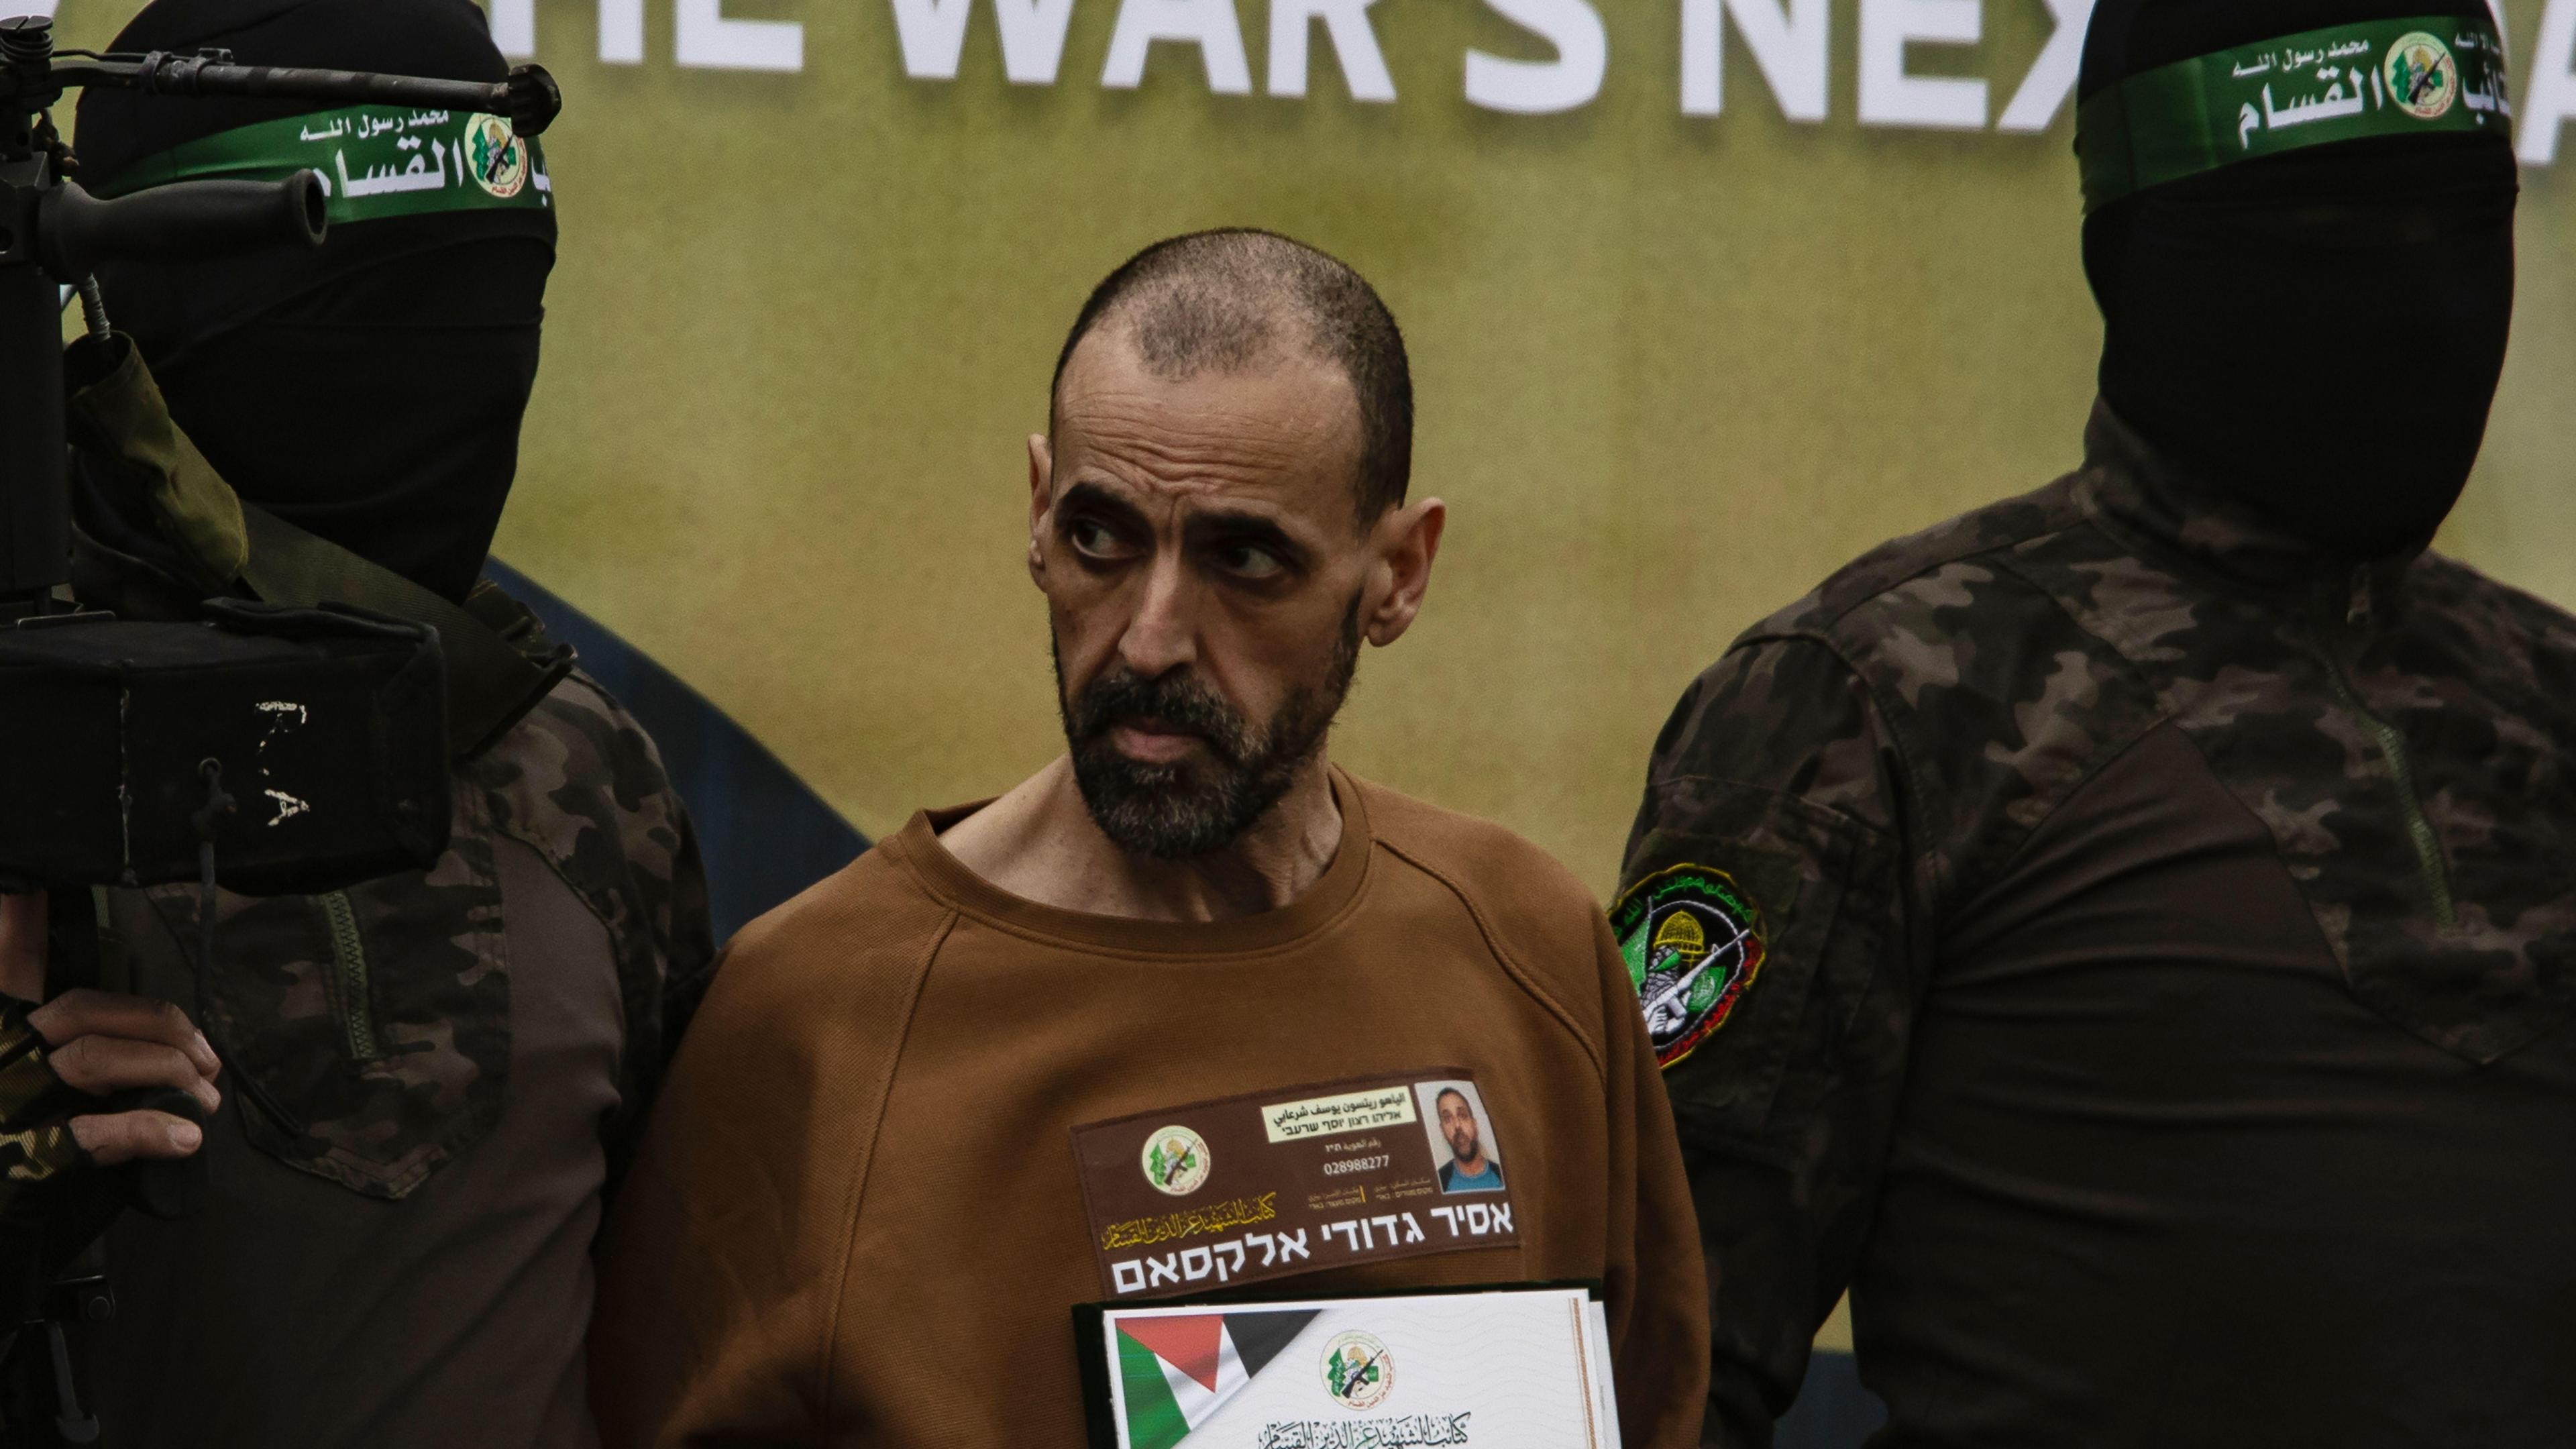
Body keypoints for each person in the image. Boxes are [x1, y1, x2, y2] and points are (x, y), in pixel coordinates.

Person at [1617, 1, 2571, 1444]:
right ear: (2130, 257)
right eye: (2321, 239)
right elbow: (1658, 1361)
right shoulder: (1878, 694)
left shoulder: (2550, 689)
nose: (2423, 307)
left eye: (2458, 230)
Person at [590, 229, 1708, 1448]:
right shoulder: (809, 1020)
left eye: (1243, 559)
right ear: (1036, 515)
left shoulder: (1528, 950)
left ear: (1397, 573)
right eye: (1101, 538)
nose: (1150, 639)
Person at [0, 1, 716, 1444]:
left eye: (494, 307)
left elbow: (683, 1335)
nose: (455, 373)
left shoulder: (582, 770)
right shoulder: (21, 740)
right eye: (379, 315)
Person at [1433, 1086, 1503, 1193]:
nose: (1457, 1125)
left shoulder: (1504, 1176)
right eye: (1448, 1119)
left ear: (1475, 1125)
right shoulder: (1437, 1184)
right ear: (1442, 1131)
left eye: (1462, 1115)